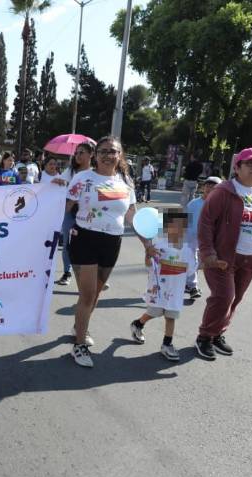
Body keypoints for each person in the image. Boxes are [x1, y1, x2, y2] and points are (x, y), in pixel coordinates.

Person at [195, 147, 252, 360]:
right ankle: (204, 337)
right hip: (222, 257)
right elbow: (206, 223)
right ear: (237, 167)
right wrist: (207, 253)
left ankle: (218, 333)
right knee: (224, 297)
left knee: (235, 298)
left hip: (250, 257)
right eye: (251, 163)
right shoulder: (225, 191)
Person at [65, 136, 147, 368]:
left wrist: (147, 244)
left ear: (119, 155)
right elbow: (64, 206)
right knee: (88, 294)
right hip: (85, 238)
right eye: (103, 151)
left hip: (112, 241)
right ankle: (79, 344)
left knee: (97, 293)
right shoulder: (83, 178)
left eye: (113, 151)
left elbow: (131, 215)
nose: (108, 155)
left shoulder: (125, 183)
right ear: (95, 154)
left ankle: (79, 327)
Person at [130, 209, 196, 361]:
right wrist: (148, 253)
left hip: (176, 291)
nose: (177, 230)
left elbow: (191, 270)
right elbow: (148, 265)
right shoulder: (159, 245)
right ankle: (138, 324)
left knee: (170, 317)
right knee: (155, 312)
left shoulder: (188, 250)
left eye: (181, 226)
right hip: (159, 289)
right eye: (173, 226)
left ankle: (167, 344)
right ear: (166, 228)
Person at [56, 142, 94, 286]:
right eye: (76, 153)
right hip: (69, 211)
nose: (78, 156)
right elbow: (59, 182)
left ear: (91, 154)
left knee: (88, 244)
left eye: (81, 152)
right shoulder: (70, 171)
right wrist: (58, 182)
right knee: (67, 243)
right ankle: (67, 272)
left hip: (87, 213)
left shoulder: (95, 173)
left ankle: (91, 275)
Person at [184, 176, 221, 299]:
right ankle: (193, 286)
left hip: (210, 239)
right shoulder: (193, 203)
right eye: (208, 185)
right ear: (203, 187)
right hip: (192, 239)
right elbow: (184, 220)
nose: (210, 188)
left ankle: (187, 283)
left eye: (213, 186)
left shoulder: (220, 205)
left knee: (199, 263)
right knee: (193, 260)